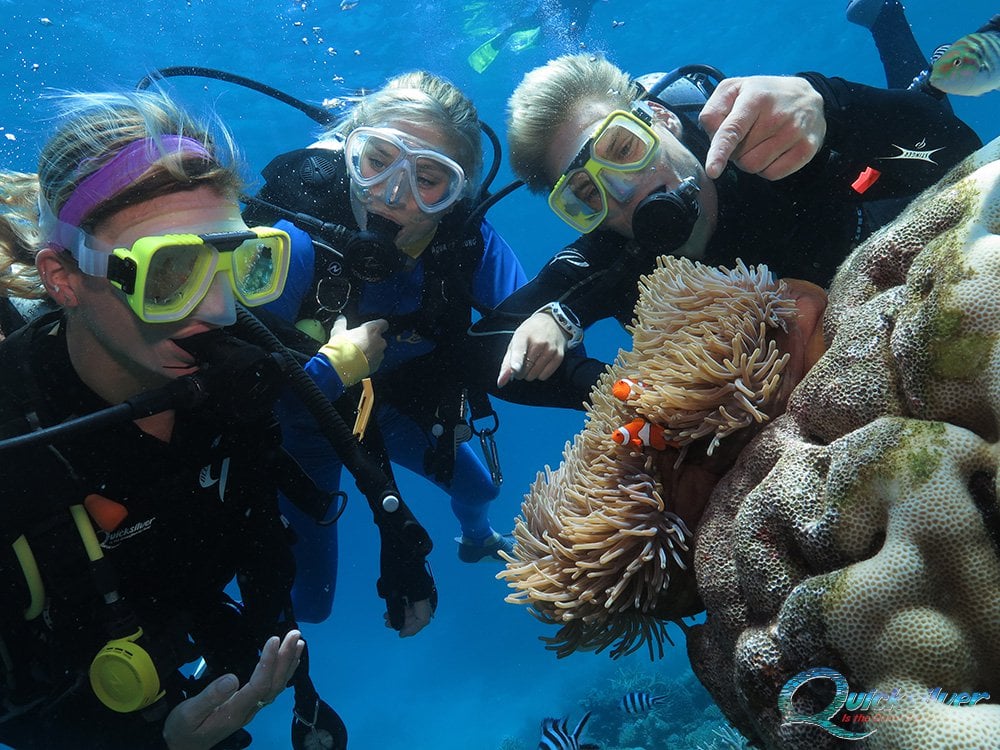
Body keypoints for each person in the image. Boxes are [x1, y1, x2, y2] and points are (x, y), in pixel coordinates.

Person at [0, 89, 310, 749]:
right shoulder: (13, 444)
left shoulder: (245, 358)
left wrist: (248, 640)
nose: (221, 310)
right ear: (63, 278)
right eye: (171, 271)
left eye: (239, 263)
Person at [472, 43, 982, 393]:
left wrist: (830, 103)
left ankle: (911, 57)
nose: (622, 190)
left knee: (921, 108)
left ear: (663, 119)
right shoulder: (610, 254)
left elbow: (958, 151)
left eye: (623, 147)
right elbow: (477, 353)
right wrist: (612, 384)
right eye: (586, 191)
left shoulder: (761, 146)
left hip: (877, 225)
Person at [244, 71, 550, 626]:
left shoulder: (467, 244)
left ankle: (475, 538)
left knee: (479, 486)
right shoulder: (292, 238)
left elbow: (530, 316)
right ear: (348, 152)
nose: (389, 194)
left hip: (396, 404)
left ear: (459, 193)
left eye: (429, 179)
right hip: (305, 422)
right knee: (312, 604)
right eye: (377, 159)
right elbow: (246, 397)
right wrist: (333, 369)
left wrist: (552, 328)